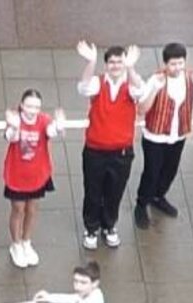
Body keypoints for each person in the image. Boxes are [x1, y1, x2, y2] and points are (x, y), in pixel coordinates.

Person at [76, 40, 145, 249]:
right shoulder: (98, 83)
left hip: (121, 152)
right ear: (106, 65)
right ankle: (91, 228)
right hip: (95, 150)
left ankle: (109, 225)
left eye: (120, 62)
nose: (116, 66)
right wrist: (91, 62)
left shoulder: (130, 84)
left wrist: (131, 67)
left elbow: (139, 91)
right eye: (112, 62)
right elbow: (84, 87)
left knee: (115, 191)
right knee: (93, 191)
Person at [134, 42, 193, 227]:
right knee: (151, 172)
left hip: (178, 135)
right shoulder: (156, 80)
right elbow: (142, 109)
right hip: (155, 136)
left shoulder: (190, 79)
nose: (177, 68)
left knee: (170, 170)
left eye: (180, 63)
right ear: (165, 64)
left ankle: (158, 197)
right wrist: (155, 90)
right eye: (173, 64)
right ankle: (141, 205)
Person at [2, 89, 65, 267]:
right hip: (17, 174)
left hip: (38, 173)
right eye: (29, 106)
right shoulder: (15, 120)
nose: (32, 110)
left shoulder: (44, 120)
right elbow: (10, 138)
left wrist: (59, 125)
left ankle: (26, 241)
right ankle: (16, 244)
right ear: (22, 105)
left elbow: (51, 131)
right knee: (18, 209)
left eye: (36, 107)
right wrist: (14, 126)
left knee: (32, 209)